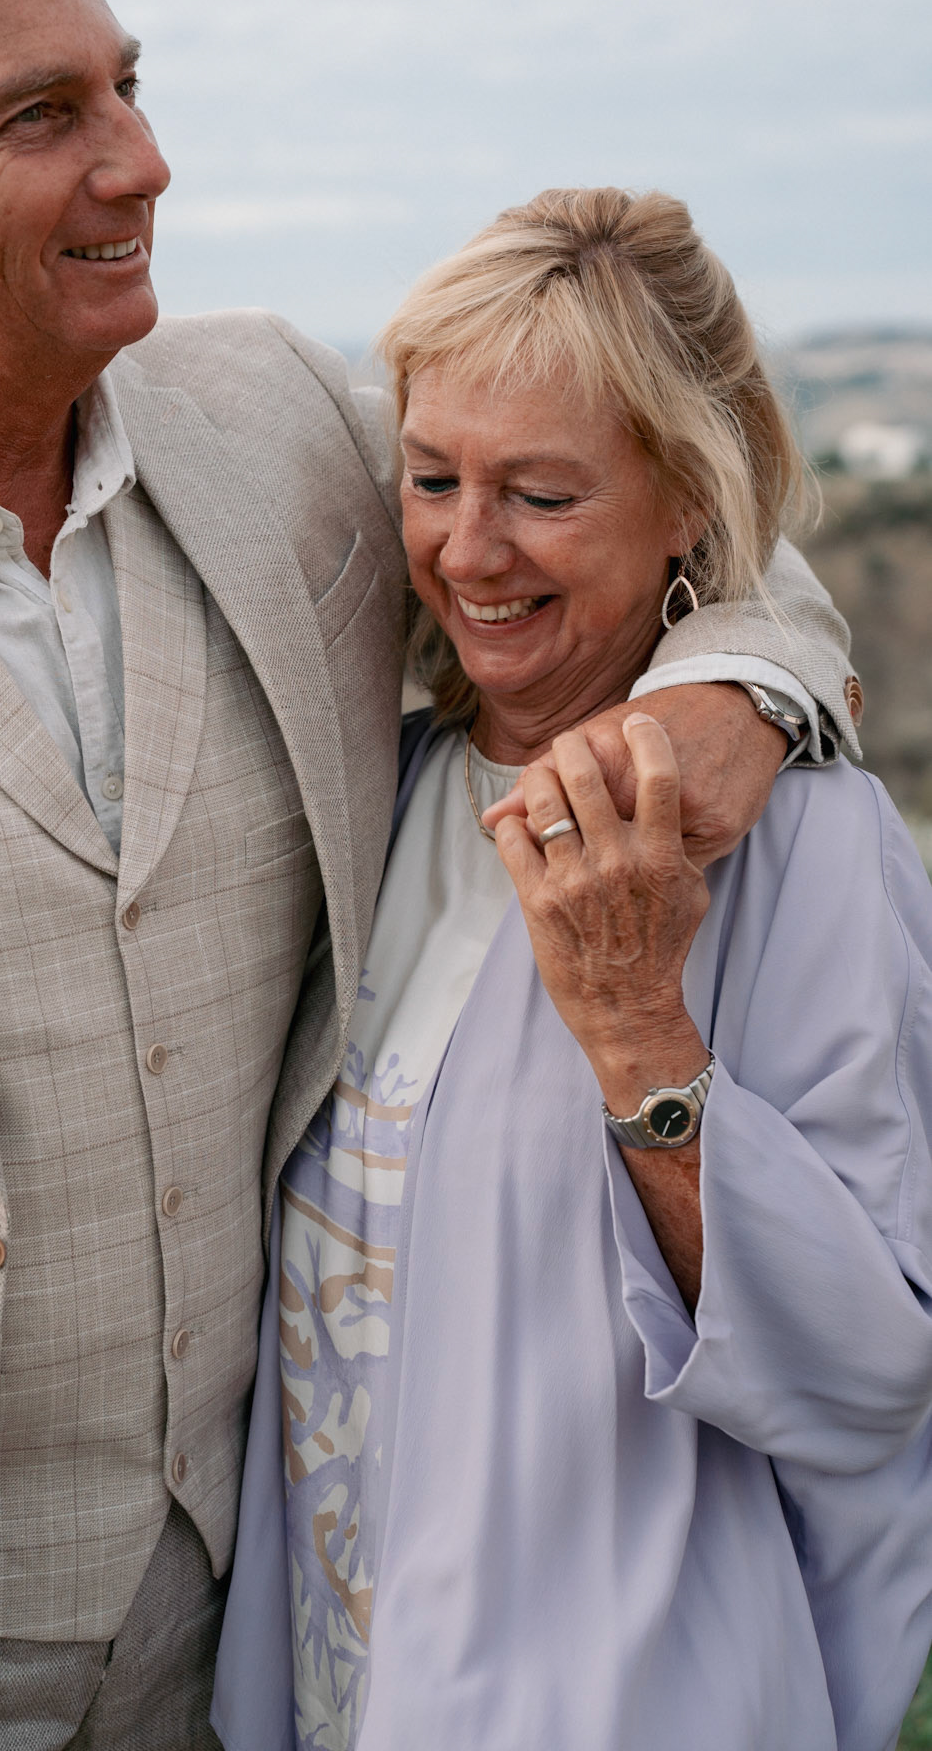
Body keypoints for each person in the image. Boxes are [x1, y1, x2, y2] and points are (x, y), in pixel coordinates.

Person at [0, 0, 856, 1751]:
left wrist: (731, 697)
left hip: (246, 1640)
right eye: (42, 116)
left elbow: (692, 520)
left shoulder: (277, 423)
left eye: (127, 85)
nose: (142, 162)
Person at [212, 186, 932, 1751]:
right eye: (430, 479)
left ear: (687, 500)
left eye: (540, 494)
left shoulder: (804, 849)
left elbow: (870, 1371)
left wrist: (635, 1033)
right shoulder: (382, 787)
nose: (467, 550)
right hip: (333, 1684)